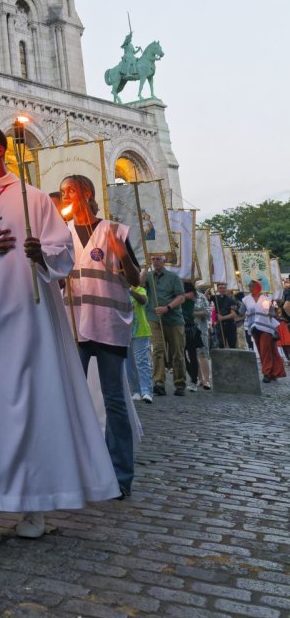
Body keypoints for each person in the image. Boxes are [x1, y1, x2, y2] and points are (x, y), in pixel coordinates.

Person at [0, 126, 119, 543]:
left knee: (31, 408)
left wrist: (43, 253)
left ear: (0, 150)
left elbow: (63, 252)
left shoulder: (35, 199)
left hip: (31, 320)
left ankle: (34, 507)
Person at [60, 175, 140, 499]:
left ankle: (120, 475)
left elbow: (135, 279)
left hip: (108, 325)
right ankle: (77, 469)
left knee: (114, 401)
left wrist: (122, 255)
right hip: (74, 327)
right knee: (71, 400)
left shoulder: (115, 231)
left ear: (86, 193)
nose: (65, 195)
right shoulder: (61, 235)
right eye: (63, 191)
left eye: (70, 191)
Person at [141, 253, 186, 396]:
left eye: (158, 259)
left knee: (177, 352)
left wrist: (167, 308)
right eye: (153, 259)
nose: (155, 262)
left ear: (164, 261)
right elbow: (140, 284)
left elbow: (181, 297)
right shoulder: (149, 276)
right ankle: (159, 383)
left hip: (173, 319)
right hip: (154, 318)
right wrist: (144, 268)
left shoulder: (173, 278)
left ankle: (180, 383)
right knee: (158, 349)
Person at [241, 279, 285, 383]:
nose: (249, 288)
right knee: (261, 350)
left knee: (265, 350)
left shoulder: (266, 299)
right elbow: (241, 312)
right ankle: (272, 373)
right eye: (249, 286)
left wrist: (272, 314)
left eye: (251, 286)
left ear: (257, 287)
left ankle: (267, 373)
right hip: (254, 328)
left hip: (266, 327)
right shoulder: (246, 299)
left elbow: (274, 313)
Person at [126, 280, 154, 404]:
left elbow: (143, 300)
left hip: (140, 332)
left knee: (141, 362)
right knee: (129, 364)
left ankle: (146, 391)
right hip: (124, 333)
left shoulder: (138, 289)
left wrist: (129, 290)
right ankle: (135, 391)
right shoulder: (116, 290)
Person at [213, 282, 239, 349]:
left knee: (232, 344)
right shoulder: (215, 298)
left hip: (230, 325)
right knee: (221, 344)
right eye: (220, 288)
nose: (222, 290)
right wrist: (209, 286)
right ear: (217, 289)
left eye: (224, 288)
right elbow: (205, 297)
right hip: (220, 325)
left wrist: (223, 318)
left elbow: (234, 314)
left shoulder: (231, 300)